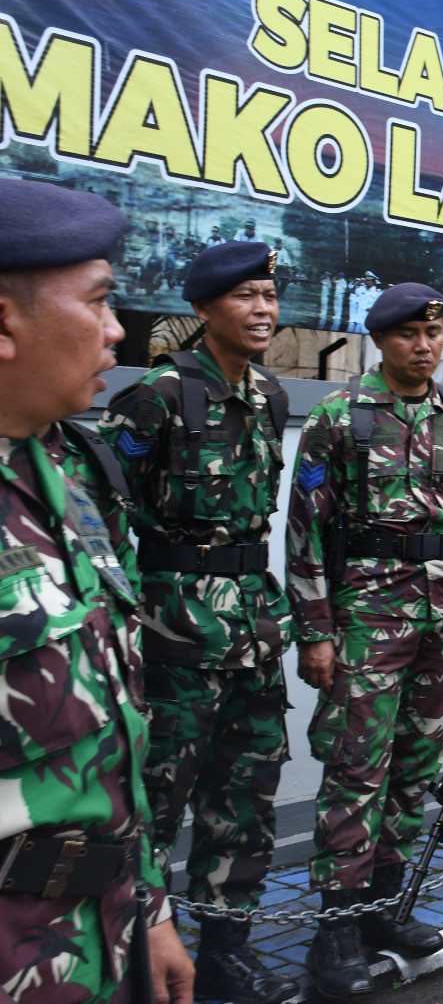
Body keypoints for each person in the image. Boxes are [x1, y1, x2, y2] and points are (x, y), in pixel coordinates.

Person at [0, 180, 194, 1004]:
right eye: (101, 302)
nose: (120, 331)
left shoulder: (68, 470)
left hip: (101, 931)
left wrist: (148, 909)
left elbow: (113, 725)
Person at [98, 241, 296, 1004]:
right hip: (175, 631)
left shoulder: (271, 397)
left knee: (244, 795)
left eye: (270, 296)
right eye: (245, 296)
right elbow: (109, 516)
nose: (263, 310)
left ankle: (226, 949)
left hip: (252, 625)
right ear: (205, 309)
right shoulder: (155, 397)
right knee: (161, 794)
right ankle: (142, 945)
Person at [285, 284, 443, 999]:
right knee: (356, 771)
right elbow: (305, 530)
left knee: (415, 767)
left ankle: (384, 908)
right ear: (382, 340)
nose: (424, 346)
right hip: (365, 629)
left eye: (433, 334)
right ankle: (335, 929)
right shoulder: (340, 418)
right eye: (408, 334)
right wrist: (314, 632)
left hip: (438, 625)